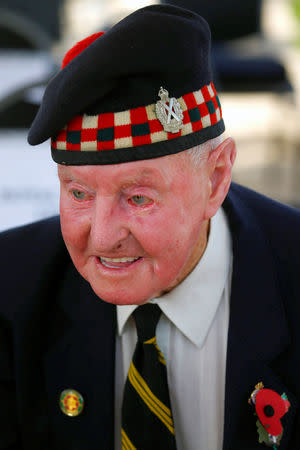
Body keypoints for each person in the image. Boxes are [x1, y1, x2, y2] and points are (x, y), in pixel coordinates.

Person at [0, 4, 299, 450]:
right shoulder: (10, 289)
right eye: (78, 193)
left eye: (138, 197)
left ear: (216, 179)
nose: (101, 237)